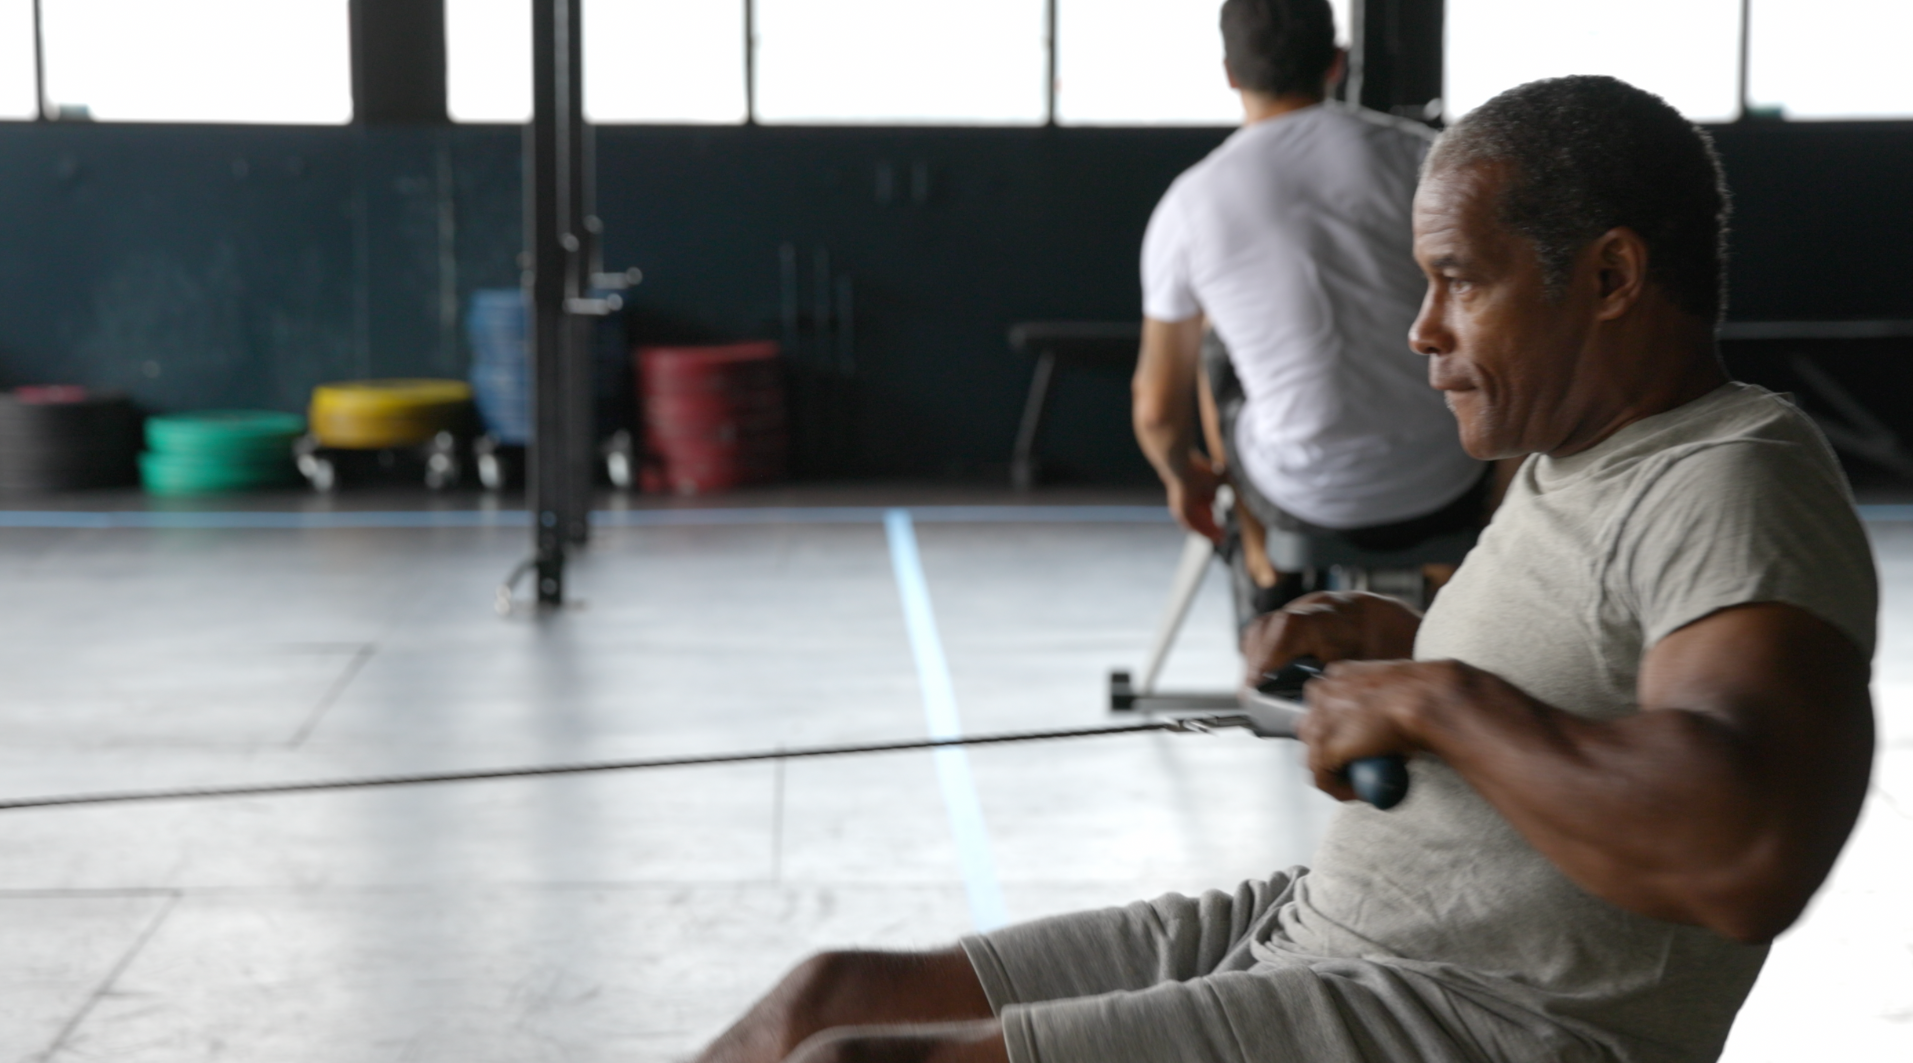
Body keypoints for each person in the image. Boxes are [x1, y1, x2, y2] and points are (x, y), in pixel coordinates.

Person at [691, 76, 1878, 1063]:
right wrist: (1406, 644)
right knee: (824, 998)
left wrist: (1437, 699)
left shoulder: (1732, 474)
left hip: (1465, 1016)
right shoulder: (1567, 459)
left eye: (1458, 278)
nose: (1421, 326)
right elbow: (1594, 680)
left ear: (1612, 278)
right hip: (1321, 928)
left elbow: (1746, 844)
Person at [1131, 0, 1485, 609]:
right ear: (1336, 64)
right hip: (1453, 480)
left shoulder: (1190, 203)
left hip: (1302, 497)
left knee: (1217, 343)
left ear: (1229, 73)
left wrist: (1183, 479)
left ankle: (1266, 574)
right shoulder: (1426, 158)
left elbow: (1159, 414)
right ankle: (1451, 585)